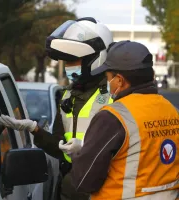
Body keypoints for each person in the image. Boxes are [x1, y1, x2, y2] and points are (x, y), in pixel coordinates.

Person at [0, 17, 113, 200]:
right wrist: (34, 129)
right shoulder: (68, 96)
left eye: (74, 60)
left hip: (102, 190)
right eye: (66, 62)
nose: (68, 67)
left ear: (95, 58)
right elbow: (59, 147)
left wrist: (84, 148)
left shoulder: (113, 96)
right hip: (70, 188)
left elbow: (126, 149)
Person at [65, 41, 179, 200]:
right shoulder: (172, 111)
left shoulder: (112, 117)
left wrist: (80, 154)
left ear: (119, 80)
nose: (107, 83)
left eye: (108, 78)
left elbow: (85, 181)